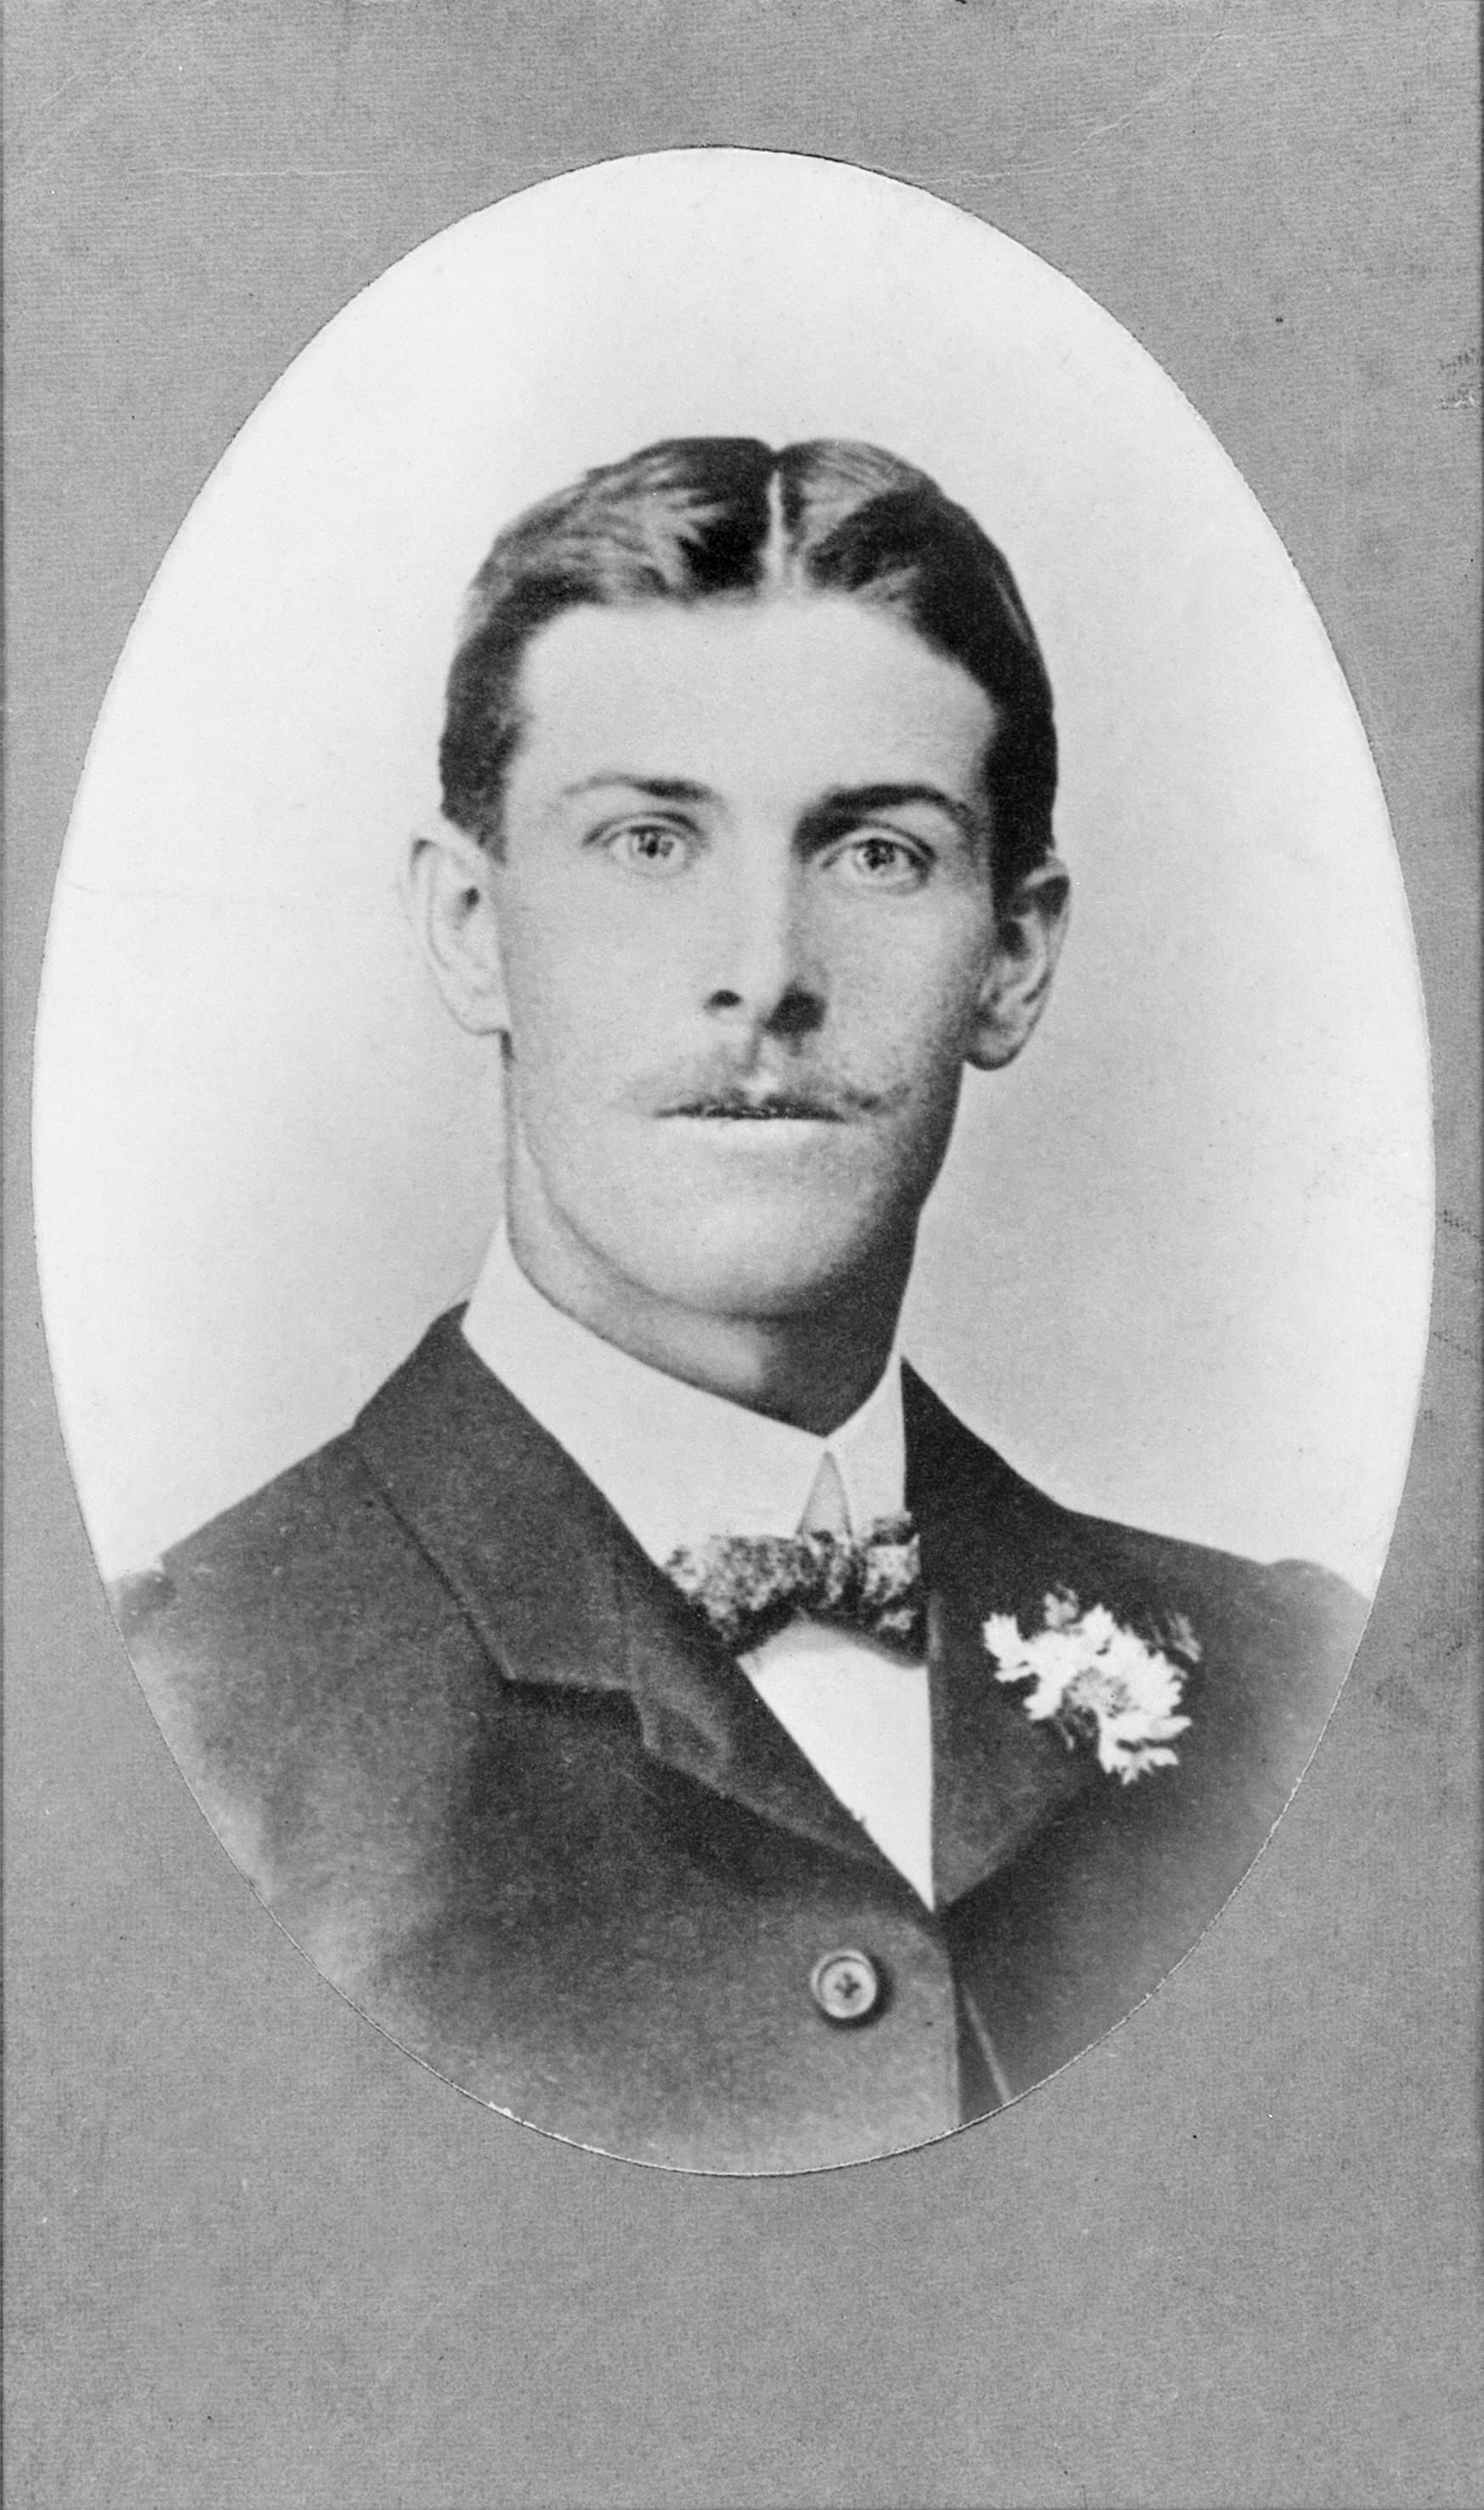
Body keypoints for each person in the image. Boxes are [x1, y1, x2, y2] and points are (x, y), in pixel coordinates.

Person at [115, 438, 1366, 2173]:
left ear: (1015, 956)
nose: (767, 969)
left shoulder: (1298, 1694)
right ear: (472, 924)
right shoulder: (183, 1716)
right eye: (647, 840)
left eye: (873, 853)